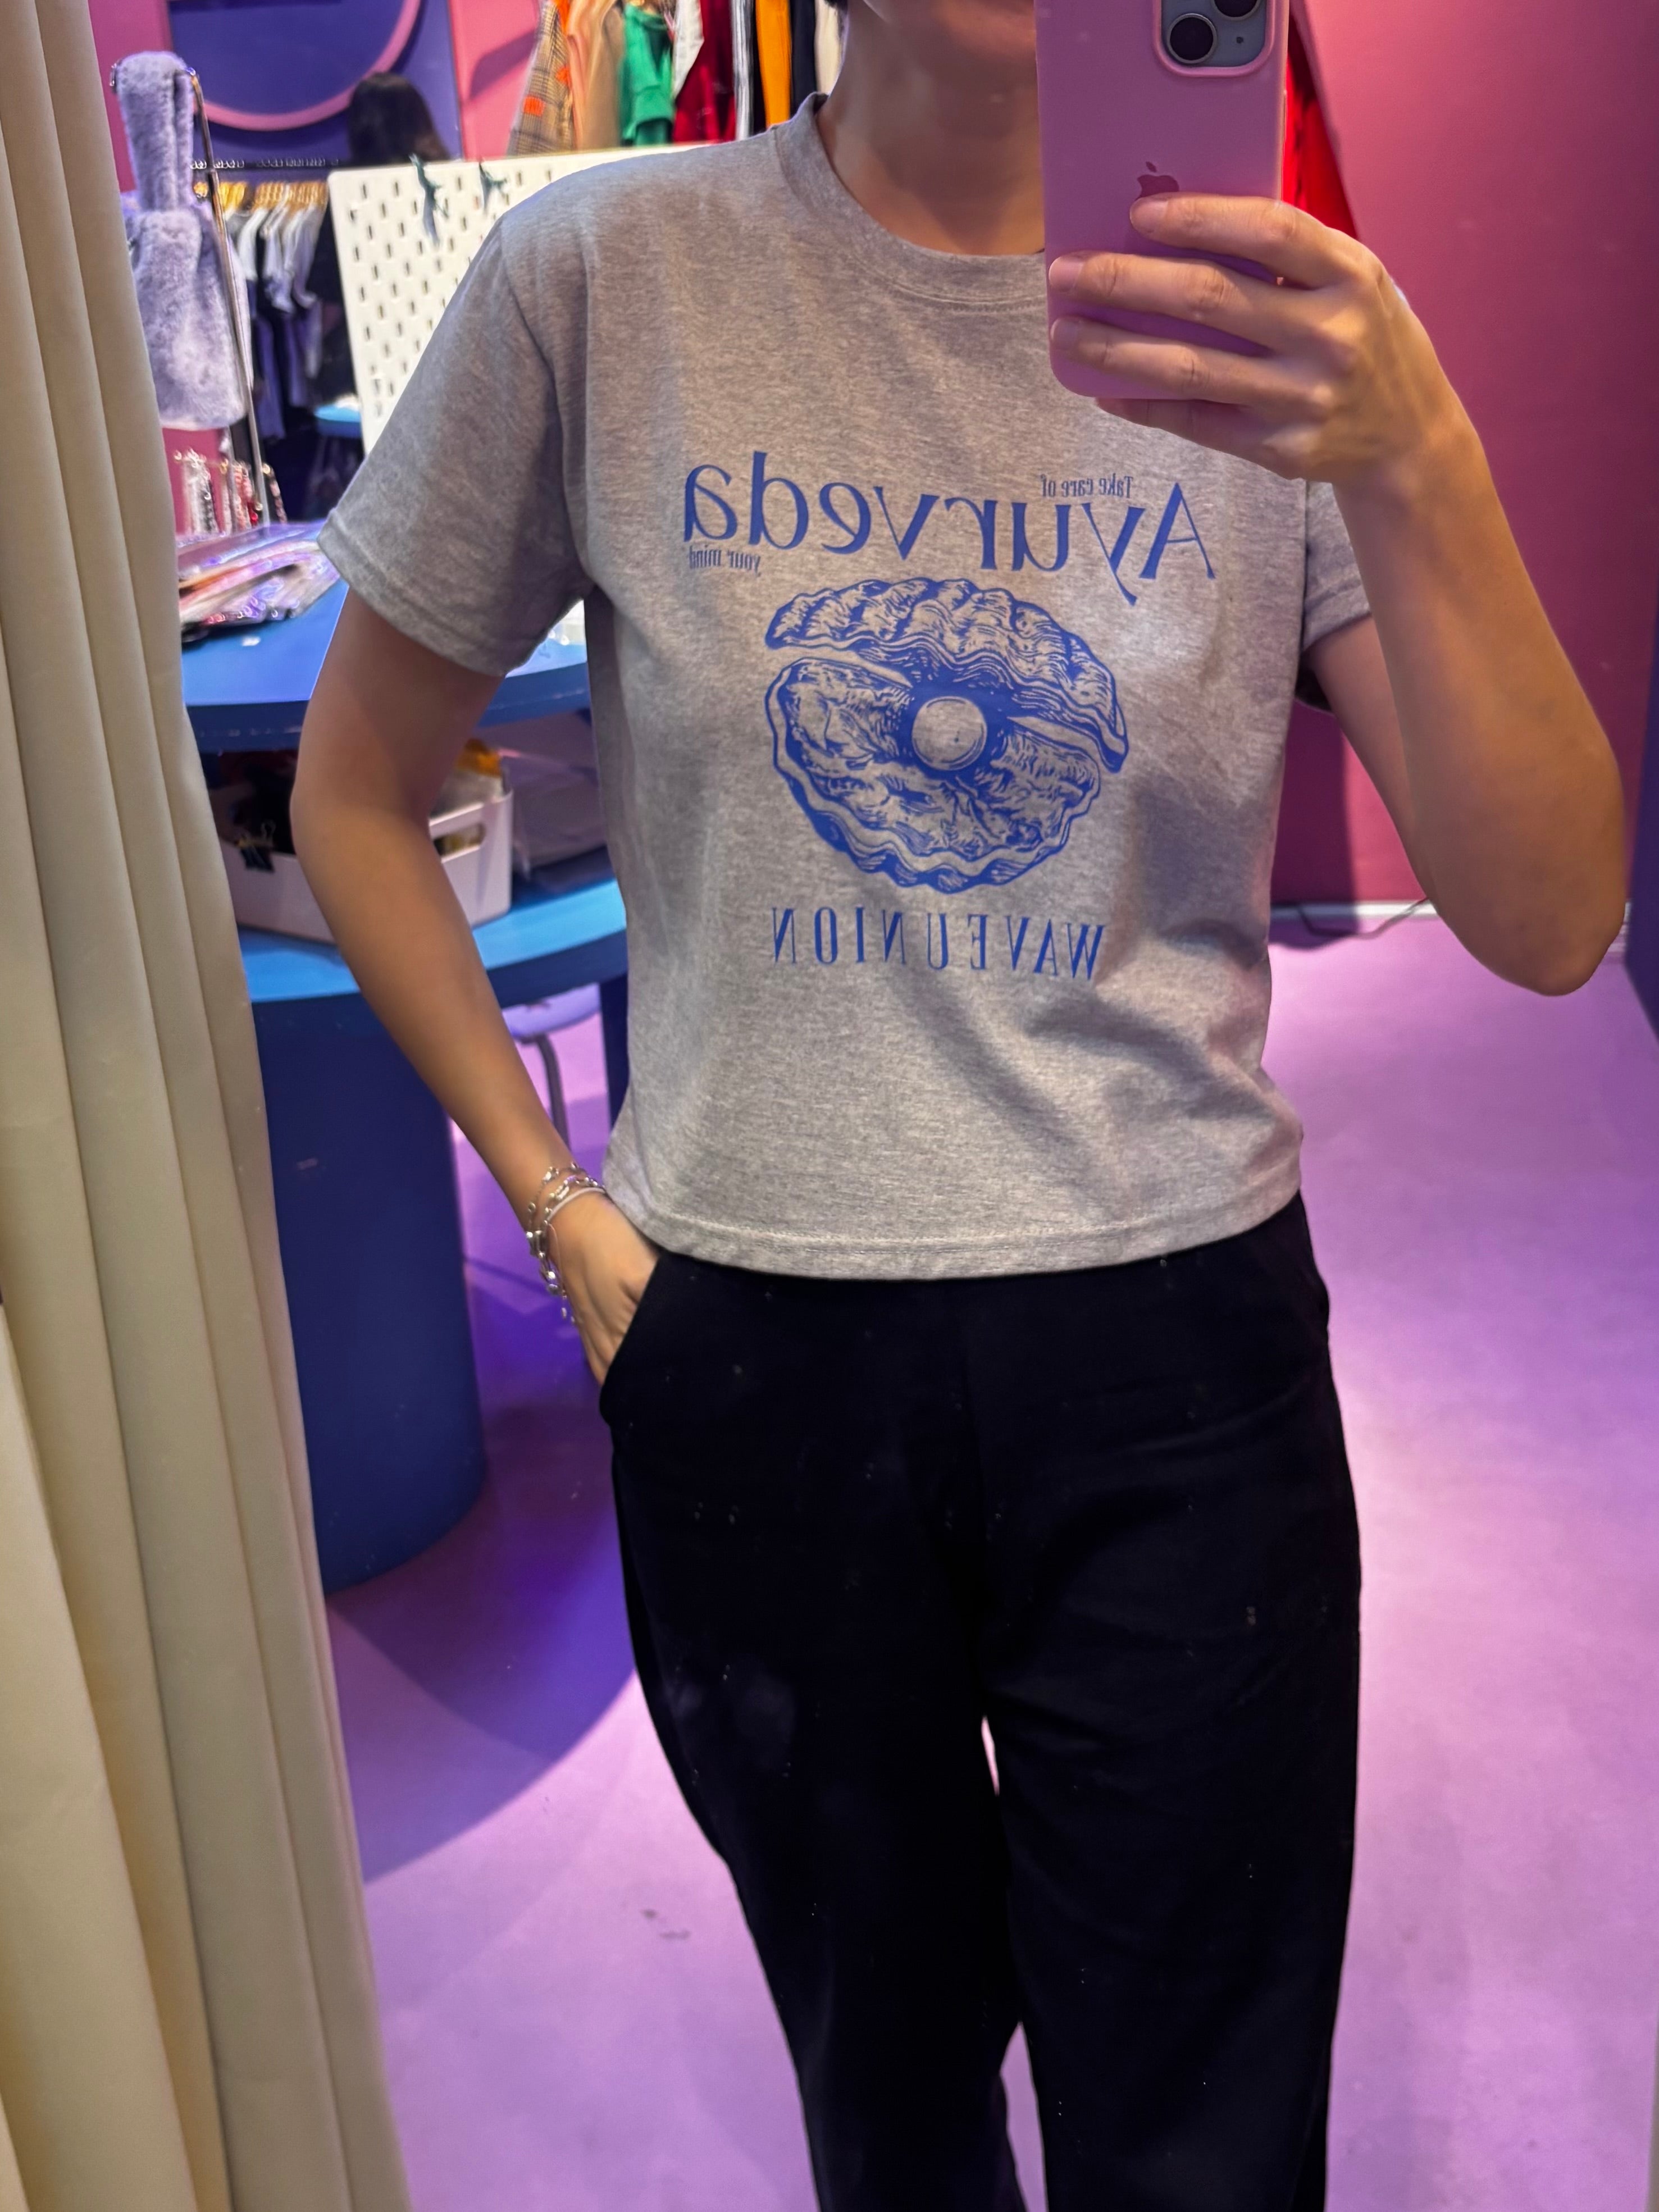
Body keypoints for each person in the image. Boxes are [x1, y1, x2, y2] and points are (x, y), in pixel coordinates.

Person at [290, 0, 1627, 2194]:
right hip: (755, 1356)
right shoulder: (606, 279)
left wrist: (1418, 452)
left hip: (1172, 1354)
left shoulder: (1266, 327)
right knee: (887, 2107)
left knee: (1202, 2135)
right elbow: (354, 794)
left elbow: (1554, 912)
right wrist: (558, 1206)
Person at [307, 74, 453, 409]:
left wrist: (319, 356)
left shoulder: (351, 192)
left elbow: (330, 289)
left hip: (368, 356)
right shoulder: (448, 181)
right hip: (443, 345)